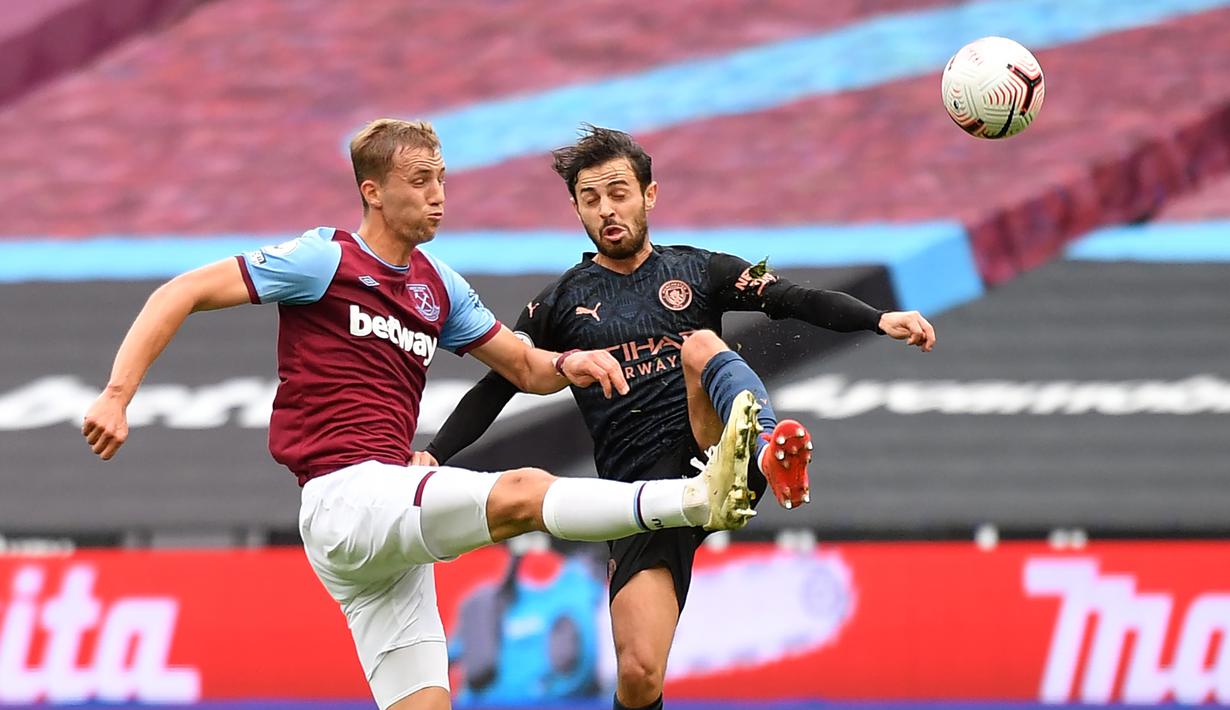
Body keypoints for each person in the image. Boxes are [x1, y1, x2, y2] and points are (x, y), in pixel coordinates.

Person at [79, 119, 763, 710]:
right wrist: (116, 393)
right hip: (346, 497)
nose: (438, 194)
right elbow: (183, 290)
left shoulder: (439, 286)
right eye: (420, 180)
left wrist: (568, 364)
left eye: (442, 178)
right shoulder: (325, 259)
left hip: (379, 538)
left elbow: (522, 367)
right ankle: (697, 496)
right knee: (522, 491)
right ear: (373, 191)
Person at [422, 125, 937, 710]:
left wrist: (878, 319)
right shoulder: (560, 301)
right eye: (590, 200)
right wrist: (433, 455)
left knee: (700, 349)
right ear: (576, 209)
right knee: (639, 676)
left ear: (650, 194)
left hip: (713, 451)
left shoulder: (699, 271)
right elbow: (502, 384)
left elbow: (795, 298)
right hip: (636, 495)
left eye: (618, 192)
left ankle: (766, 448)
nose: (606, 209)